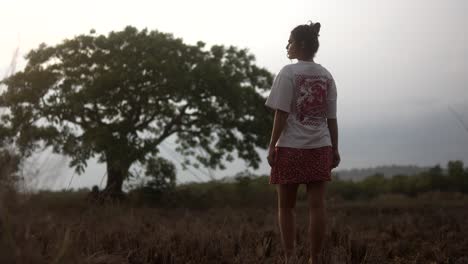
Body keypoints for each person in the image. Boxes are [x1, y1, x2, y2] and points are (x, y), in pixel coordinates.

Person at [265, 21, 340, 264]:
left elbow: (282, 113)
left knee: (286, 207)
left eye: (290, 42)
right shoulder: (326, 75)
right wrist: (335, 149)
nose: (287, 46)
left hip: (291, 148)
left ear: (302, 45)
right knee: (317, 207)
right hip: (321, 147)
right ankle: (315, 259)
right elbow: (331, 118)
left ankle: (290, 258)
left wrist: (272, 145)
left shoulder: (288, 73)